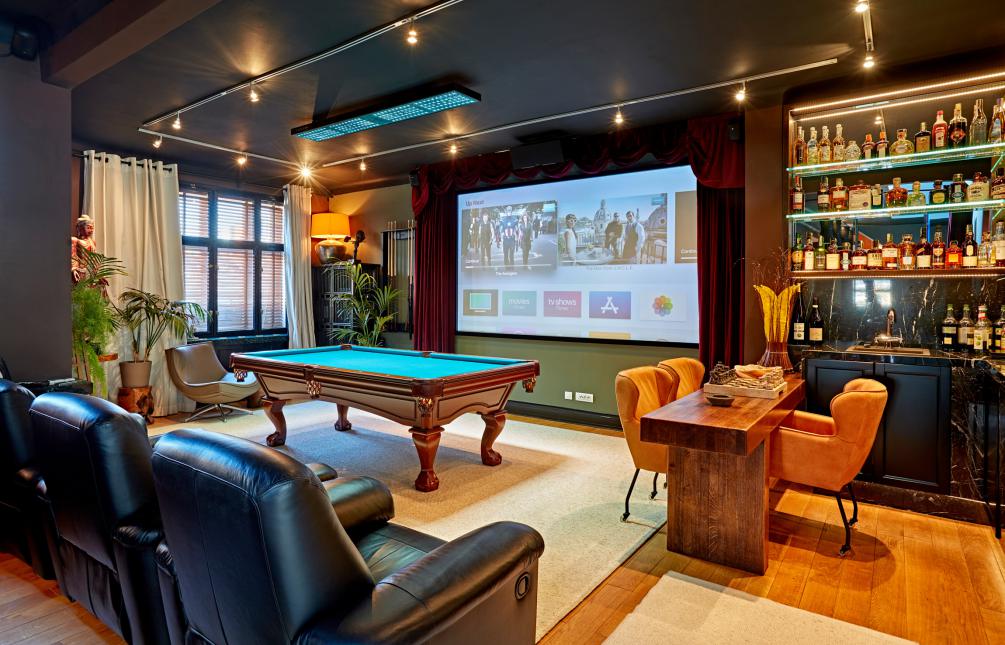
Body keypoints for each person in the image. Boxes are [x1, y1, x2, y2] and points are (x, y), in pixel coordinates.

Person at [71, 214, 97, 283]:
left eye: (92, 228)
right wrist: (74, 270)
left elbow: (94, 259)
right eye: (88, 228)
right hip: (80, 271)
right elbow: (73, 256)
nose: (91, 230)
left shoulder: (93, 242)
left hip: (90, 272)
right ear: (80, 228)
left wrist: (98, 274)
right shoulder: (75, 240)